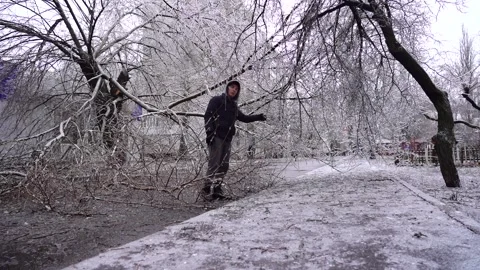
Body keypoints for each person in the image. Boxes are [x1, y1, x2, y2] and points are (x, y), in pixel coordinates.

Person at [203, 80, 266, 201]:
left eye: (236, 89)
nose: (233, 90)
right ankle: (206, 190)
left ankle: (217, 190)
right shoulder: (217, 100)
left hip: (227, 138)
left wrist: (258, 117)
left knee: (224, 165)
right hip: (216, 136)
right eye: (232, 87)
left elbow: (244, 118)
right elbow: (208, 116)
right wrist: (209, 132)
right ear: (227, 88)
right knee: (214, 164)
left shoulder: (233, 106)